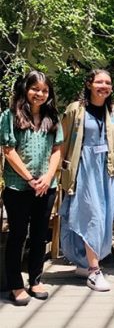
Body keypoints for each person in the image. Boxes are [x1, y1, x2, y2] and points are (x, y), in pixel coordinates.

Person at [1, 71, 62, 305]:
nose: (40, 94)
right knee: (18, 235)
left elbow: (57, 149)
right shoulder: (10, 116)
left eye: (45, 90)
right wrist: (29, 178)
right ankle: (15, 284)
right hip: (18, 187)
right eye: (35, 88)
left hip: (46, 186)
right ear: (25, 89)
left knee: (39, 235)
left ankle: (35, 279)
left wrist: (47, 177)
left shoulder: (52, 117)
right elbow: (8, 149)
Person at [59, 70, 114, 292]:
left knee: (103, 217)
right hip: (83, 167)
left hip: (105, 169)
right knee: (90, 215)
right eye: (99, 82)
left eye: (108, 82)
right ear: (89, 84)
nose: (104, 86)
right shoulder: (75, 109)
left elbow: (113, 142)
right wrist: (62, 173)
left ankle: (84, 262)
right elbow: (63, 142)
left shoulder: (113, 110)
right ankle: (94, 271)